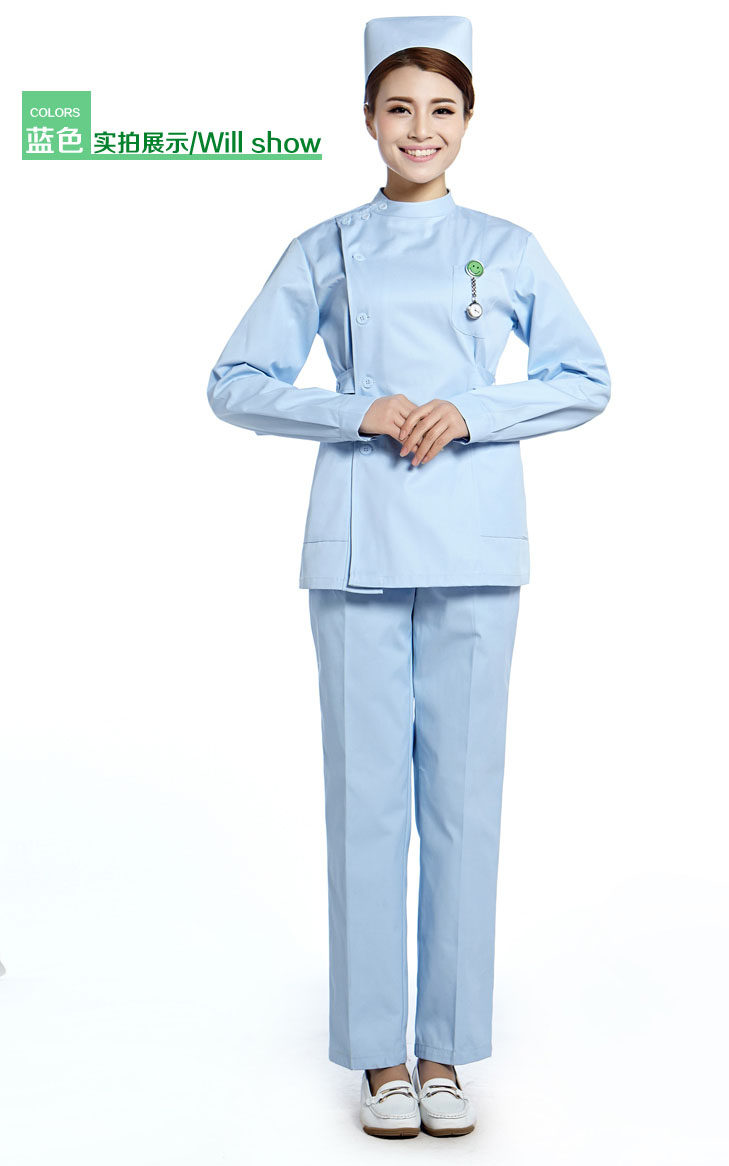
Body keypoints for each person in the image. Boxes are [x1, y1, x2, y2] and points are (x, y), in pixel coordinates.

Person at [206, 14, 610, 1139]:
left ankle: (444, 1050)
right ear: (368, 120)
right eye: (399, 109)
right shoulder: (324, 249)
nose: (420, 129)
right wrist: (357, 408)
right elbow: (234, 380)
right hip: (359, 546)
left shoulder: (507, 247)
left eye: (442, 109)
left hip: (475, 543)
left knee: (464, 805)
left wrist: (473, 410)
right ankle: (380, 1054)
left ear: (469, 121)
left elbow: (583, 377)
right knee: (368, 804)